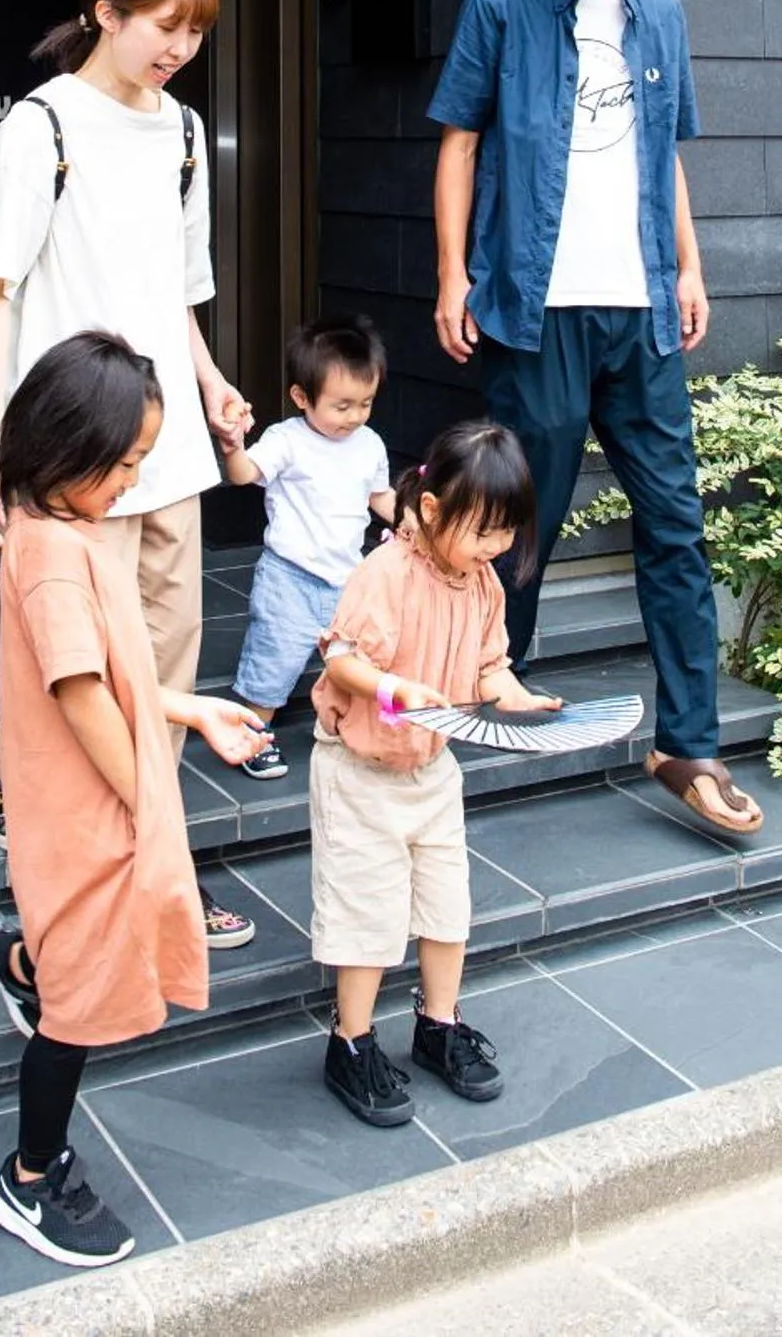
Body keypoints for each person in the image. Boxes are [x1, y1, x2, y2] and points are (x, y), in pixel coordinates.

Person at [428, 0, 763, 842]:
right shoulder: (500, 9)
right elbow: (460, 143)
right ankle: (488, 696)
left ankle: (690, 745)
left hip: (642, 310)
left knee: (676, 522)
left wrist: (690, 265)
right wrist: (455, 273)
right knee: (516, 521)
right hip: (535, 306)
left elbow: (664, 155)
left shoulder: (659, 17)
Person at [0, 0, 259, 948]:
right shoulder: (39, 131)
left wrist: (215, 385)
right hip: (75, 453)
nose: (180, 46)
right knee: (77, 656)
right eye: (164, 25)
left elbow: (175, 297)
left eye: (196, 30)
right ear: (106, 13)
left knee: (164, 667)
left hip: (168, 448)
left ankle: (148, 841)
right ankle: (37, 788)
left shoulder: (182, 136)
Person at [0, 330, 266, 1267]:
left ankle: (20, 959)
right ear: (66, 448)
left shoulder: (69, 532)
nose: (134, 479)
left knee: (81, 960)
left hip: (98, 807)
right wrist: (145, 797)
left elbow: (120, 675)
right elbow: (81, 693)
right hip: (89, 816)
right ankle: (31, 1177)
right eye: (125, 462)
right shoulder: (52, 555)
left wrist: (195, 709)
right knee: (81, 1010)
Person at [308, 420, 561, 1128]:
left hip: (432, 770)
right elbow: (342, 660)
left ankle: (438, 1026)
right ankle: (350, 1042)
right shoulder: (386, 573)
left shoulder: (481, 583)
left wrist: (518, 697)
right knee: (368, 917)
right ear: (432, 510)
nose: (496, 548)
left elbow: (489, 666)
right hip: (360, 772)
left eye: (508, 532)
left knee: (448, 909)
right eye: (484, 532)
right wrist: (395, 688)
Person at [218, 315, 397, 780]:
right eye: (342, 406)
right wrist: (233, 444)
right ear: (302, 397)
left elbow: (380, 497)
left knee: (352, 662)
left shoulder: (369, 444)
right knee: (273, 660)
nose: (355, 416)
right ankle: (253, 733)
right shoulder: (287, 441)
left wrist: (414, 522)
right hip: (289, 577)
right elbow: (243, 475)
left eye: (366, 403)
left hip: (348, 579)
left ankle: (351, 729)